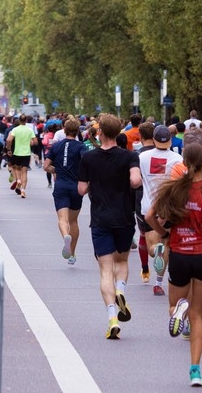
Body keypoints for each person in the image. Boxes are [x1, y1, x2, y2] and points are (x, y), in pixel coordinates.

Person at [146, 142, 202, 387]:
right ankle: (195, 371)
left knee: (174, 305)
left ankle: (179, 309)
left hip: (180, 255)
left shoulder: (173, 189)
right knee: (198, 316)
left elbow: (150, 216)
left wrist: (164, 234)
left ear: (183, 163)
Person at [77, 114, 142, 340]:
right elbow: (135, 181)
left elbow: (81, 190)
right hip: (124, 217)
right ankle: (121, 290)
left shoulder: (89, 158)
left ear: (100, 133)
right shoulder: (130, 155)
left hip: (101, 219)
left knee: (105, 269)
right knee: (122, 261)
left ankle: (113, 317)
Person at [138, 124, 183, 295]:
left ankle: (155, 249)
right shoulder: (177, 159)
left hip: (148, 207)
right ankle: (158, 283)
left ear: (154, 139)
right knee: (167, 244)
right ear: (170, 140)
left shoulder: (142, 157)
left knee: (152, 246)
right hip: (168, 208)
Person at [45, 118, 87, 265]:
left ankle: (65, 237)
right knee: (73, 220)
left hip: (61, 185)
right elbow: (87, 164)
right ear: (78, 131)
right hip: (76, 186)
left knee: (62, 219)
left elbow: (46, 166)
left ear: (64, 129)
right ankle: (72, 254)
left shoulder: (56, 146)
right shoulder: (81, 147)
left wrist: (56, 170)